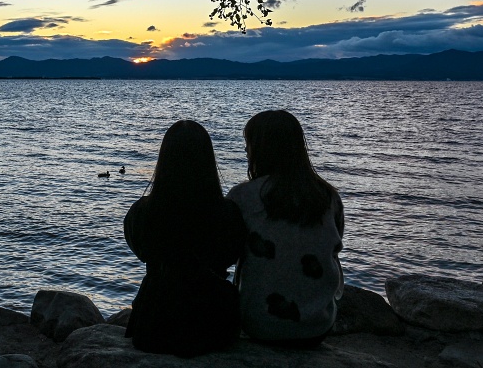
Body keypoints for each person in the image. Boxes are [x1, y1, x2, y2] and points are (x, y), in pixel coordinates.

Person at [124, 120, 245, 357]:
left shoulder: (143, 212)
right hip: (213, 323)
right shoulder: (227, 213)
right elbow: (232, 254)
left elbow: (139, 249)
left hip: (154, 323)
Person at [227, 110, 344, 347]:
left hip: (259, 325)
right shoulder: (328, 197)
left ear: (259, 149)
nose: (246, 152)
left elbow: (227, 251)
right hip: (317, 325)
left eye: (248, 145)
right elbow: (335, 245)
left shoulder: (242, 196)